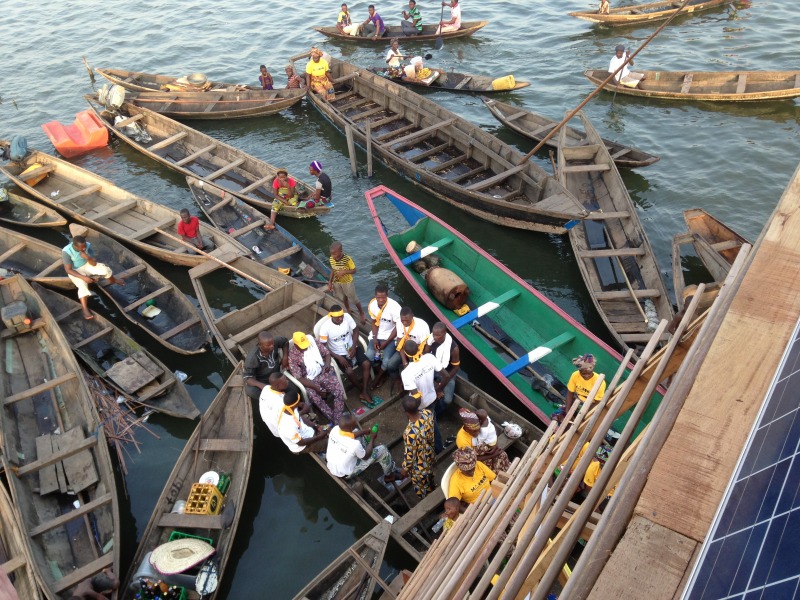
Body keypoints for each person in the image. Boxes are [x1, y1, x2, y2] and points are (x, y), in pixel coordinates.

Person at [288, 331, 347, 425]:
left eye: (306, 344)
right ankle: (333, 418)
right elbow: (299, 378)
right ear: (296, 345)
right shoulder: (292, 356)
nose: (306, 347)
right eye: (302, 346)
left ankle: (337, 418)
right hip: (309, 379)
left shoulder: (312, 341)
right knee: (315, 398)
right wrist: (316, 387)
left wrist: (327, 365)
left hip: (323, 371)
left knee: (338, 390)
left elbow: (326, 353)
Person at [62, 234, 125, 320]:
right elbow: (68, 270)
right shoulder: (66, 251)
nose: (84, 249)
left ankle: (113, 280)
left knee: (105, 269)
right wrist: (83, 277)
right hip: (75, 271)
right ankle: (84, 309)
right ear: (75, 246)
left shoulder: (87, 245)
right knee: (82, 285)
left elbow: (94, 263)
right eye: (82, 248)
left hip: (87, 265)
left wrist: (87, 257)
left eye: (85, 246)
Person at [317, 305, 371, 403]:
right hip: (338, 354)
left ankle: (364, 390)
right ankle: (361, 390)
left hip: (352, 347)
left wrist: (354, 346)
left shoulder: (347, 317)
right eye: (338, 317)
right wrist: (338, 357)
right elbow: (323, 347)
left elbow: (355, 330)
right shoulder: (325, 327)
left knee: (366, 363)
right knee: (349, 371)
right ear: (332, 316)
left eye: (341, 316)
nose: (341, 318)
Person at [400, 339, 444, 452]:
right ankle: (438, 448)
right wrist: (438, 389)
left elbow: (416, 396)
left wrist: (412, 412)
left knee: (421, 426)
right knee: (433, 424)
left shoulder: (406, 373)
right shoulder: (429, 357)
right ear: (419, 348)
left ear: (406, 354)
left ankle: (432, 448)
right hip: (432, 398)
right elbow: (446, 375)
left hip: (419, 405)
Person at [326, 413, 397, 478]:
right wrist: (372, 438)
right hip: (344, 473)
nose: (356, 422)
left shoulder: (335, 429)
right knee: (383, 450)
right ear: (350, 428)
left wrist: (364, 431)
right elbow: (365, 456)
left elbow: (350, 435)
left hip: (332, 465)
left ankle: (365, 447)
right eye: (355, 423)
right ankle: (389, 476)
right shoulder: (354, 444)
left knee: (357, 431)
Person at [366, 284, 403, 389]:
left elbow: (398, 327)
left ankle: (378, 378)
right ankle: (382, 374)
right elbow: (373, 322)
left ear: (387, 295)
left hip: (391, 338)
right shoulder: (373, 305)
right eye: (378, 297)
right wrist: (375, 338)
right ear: (375, 296)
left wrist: (386, 343)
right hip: (377, 335)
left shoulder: (395, 307)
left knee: (386, 361)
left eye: (383, 297)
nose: (381, 300)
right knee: (369, 355)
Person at [398, 395, 435, 498]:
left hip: (420, 464)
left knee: (422, 486)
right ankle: (432, 486)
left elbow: (410, 455)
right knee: (430, 475)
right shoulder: (428, 413)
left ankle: (427, 499)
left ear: (406, 412)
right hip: (429, 452)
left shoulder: (410, 433)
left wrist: (404, 469)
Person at [455, 408, 511, 472]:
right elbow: (471, 459)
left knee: (502, 455)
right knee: (495, 470)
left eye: (479, 430)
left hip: (486, 452)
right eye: (474, 431)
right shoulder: (462, 440)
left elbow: (491, 433)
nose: (477, 433)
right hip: (476, 459)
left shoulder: (480, 426)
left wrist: (495, 446)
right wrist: (492, 455)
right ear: (466, 428)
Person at [277, 388, 329, 454]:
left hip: (307, 433)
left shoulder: (289, 409)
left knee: (328, 429)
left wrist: (316, 426)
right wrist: (319, 436)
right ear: (296, 403)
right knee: (330, 442)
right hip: (303, 446)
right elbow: (301, 443)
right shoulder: (289, 426)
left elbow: (300, 419)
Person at [389, 307, 431, 388]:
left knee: (414, 371)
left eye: (407, 320)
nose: (404, 323)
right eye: (402, 320)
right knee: (390, 365)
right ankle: (399, 381)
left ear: (412, 316)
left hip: (418, 352)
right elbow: (399, 342)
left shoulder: (422, 326)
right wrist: (404, 361)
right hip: (404, 349)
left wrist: (413, 361)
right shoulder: (399, 323)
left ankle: (414, 386)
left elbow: (425, 348)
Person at [328, 241, 367, 324]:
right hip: (337, 282)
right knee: (343, 297)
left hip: (347, 282)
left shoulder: (347, 259)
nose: (332, 256)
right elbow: (333, 269)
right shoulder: (331, 259)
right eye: (331, 254)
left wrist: (344, 272)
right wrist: (330, 282)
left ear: (340, 252)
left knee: (353, 298)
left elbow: (354, 270)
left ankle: (361, 313)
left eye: (334, 254)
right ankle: (348, 309)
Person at [243, 331, 290, 400]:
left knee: (290, 384)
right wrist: (263, 386)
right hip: (263, 380)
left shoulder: (274, 342)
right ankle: (271, 399)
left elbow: (285, 342)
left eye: (272, 344)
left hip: (276, 375)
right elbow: (247, 378)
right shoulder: (252, 358)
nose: (272, 346)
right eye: (268, 345)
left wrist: (285, 357)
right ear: (260, 345)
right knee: (250, 390)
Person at [259, 373, 303, 437]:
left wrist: (297, 404)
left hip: (270, 421)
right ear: (277, 386)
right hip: (281, 429)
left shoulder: (266, 388)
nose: (287, 381)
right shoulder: (281, 403)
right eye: (285, 382)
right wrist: (304, 410)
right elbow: (293, 417)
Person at [427, 322, 460, 406]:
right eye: (434, 334)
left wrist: (440, 387)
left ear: (445, 333)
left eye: (438, 335)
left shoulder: (454, 348)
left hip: (448, 372)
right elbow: (425, 355)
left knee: (448, 400)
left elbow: (456, 368)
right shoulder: (431, 339)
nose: (435, 337)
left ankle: (437, 411)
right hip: (433, 368)